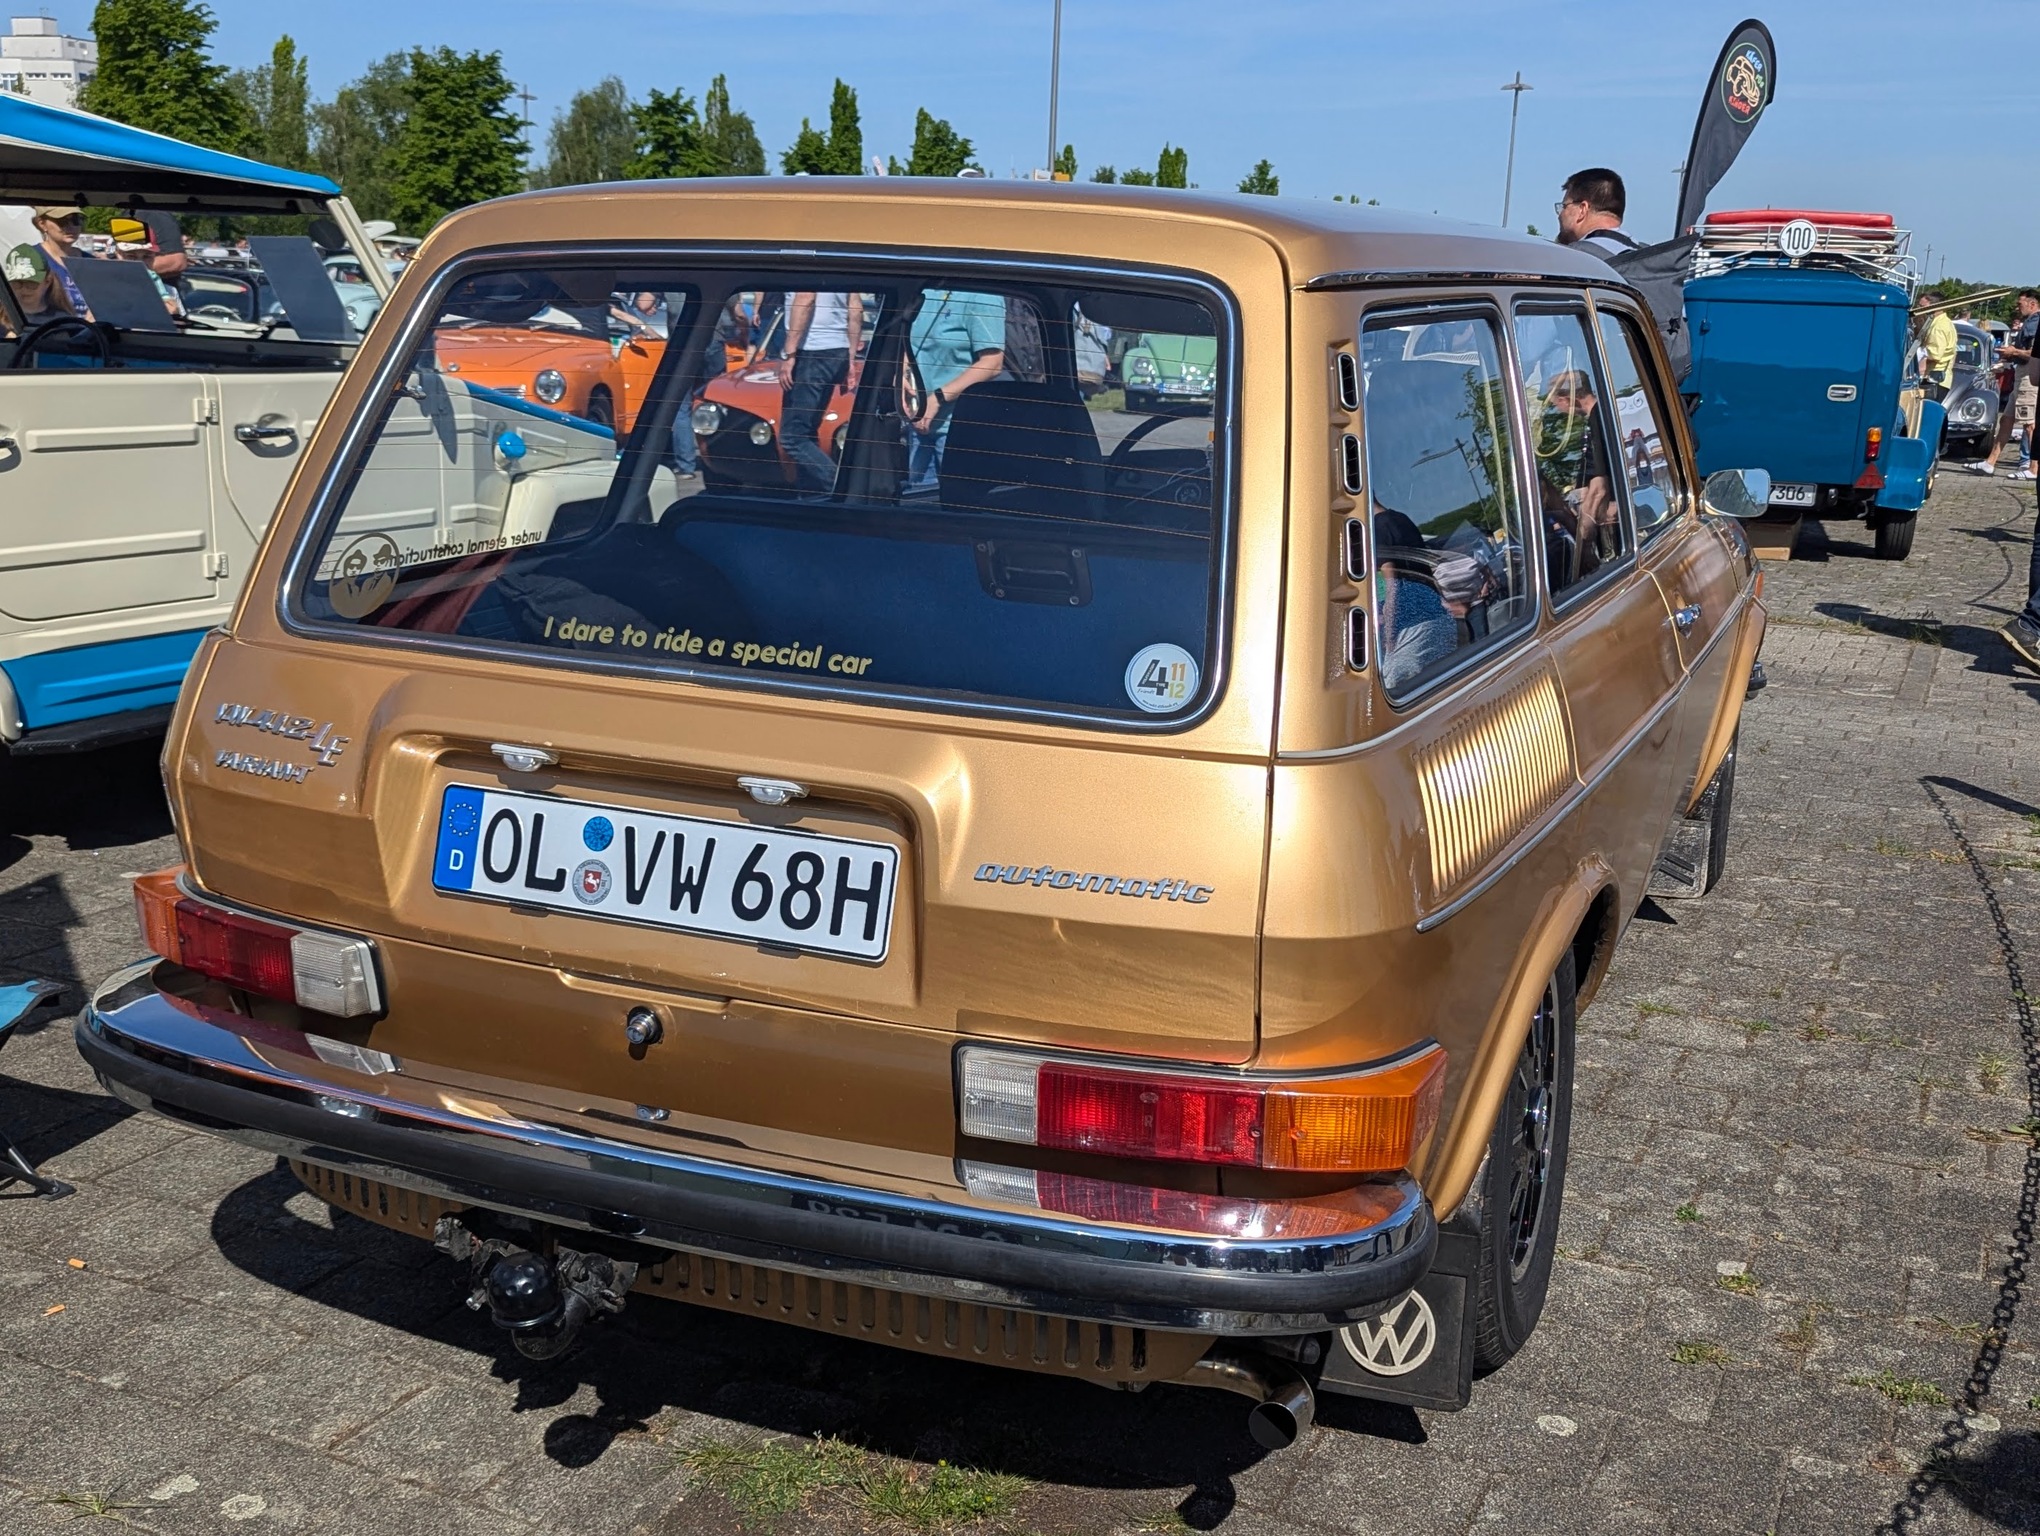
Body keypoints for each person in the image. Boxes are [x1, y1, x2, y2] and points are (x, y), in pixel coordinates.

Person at [905, 289, 1005, 495]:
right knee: (918, 506)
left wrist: (939, 398)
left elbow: (992, 363)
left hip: (958, 429)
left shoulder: (982, 295)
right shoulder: (924, 289)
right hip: (918, 422)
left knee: (958, 507)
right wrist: (901, 372)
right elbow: (908, 342)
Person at [780, 289, 863, 492]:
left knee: (793, 436)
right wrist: (850, 356)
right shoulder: (841, 263)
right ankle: (812, 496)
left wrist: (789, 352)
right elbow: (856, 310)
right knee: (807, 432)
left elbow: (806, 298)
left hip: (812, 350)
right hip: (837, 350)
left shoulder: (809, 261)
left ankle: (840, 486)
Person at [1975, 290, 2039, 478]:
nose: (2017, 308)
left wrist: (2013, 352)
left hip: (2028, 375)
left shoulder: (2035, 323)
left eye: (2020, 304)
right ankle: (1990, 462)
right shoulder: (2030, 323)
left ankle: (2034, 468)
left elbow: (2034, 352)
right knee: (2007, 419)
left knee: (2029, 423)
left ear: (2032, 304)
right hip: (2021, 373)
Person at [1553, 169, 1636, 261]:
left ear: (1582, 209)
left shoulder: (1572, 258)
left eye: (1564, 206)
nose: (1560, 214)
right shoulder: (1646, 256)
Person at [109, 216, 181, 317]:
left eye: (147, 256)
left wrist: (174, 316)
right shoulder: (105, 289)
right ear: (118, 254)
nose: (140, 263)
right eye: (131, 256)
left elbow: (180, 330)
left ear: (155, 256)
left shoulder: (170, 292)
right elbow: (91, 326)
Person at [31, 206, 90, 318]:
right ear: (42, 224)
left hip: (90, 332)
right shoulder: (30, 259)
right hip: (47, 331)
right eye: (62, 221)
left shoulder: (92, 262)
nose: (71, 226)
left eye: (76, 220)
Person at [4, 242, 69, 333]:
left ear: (47, 282)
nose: (24, 289)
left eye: (31, 284)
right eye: (17, 283)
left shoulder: (62, 322)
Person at [1916, 294, 1956, 403]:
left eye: (1922, 307)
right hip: (1937, 378)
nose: (1919, 310)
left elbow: (1934, 354)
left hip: (1934, 379)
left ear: (1936, 306)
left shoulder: (1939, 326)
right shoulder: (1944, 322)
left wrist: (1917, 357)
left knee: (1926, 414)